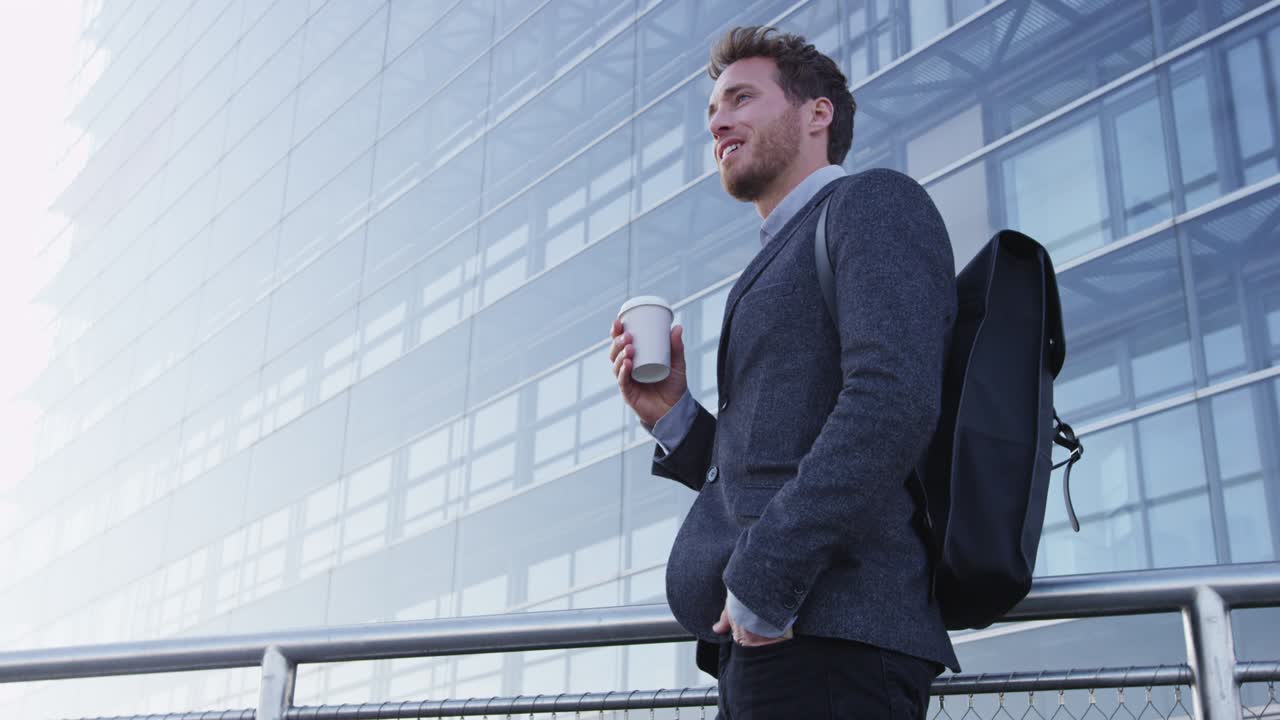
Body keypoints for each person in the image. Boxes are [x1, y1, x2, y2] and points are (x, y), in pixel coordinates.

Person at [609, 26, 959, 719]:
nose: (718, 121)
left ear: (816, 114)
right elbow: (766, 466)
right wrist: (672, 413)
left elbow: (892, 400)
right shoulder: (783, 250)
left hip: (829, 637)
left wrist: (765, 580)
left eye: (741, 98)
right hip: (772, 638)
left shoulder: (872, 204)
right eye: (712, 112)